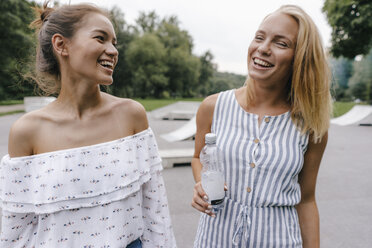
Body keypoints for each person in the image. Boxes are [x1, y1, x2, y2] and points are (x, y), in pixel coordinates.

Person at [0, 2, 176, 248]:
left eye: (114, 42)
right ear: (61, 45)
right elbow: (15, 232)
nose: (112, 50)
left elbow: (155, 211)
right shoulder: (27, 131)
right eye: (100, 38)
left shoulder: (131, 115)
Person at [191, 5, 331, 248]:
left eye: (281, 43)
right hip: (214, 240)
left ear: (300, 58)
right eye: (259, 37)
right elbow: (197, 157)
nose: (263, 48)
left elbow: (306, 200)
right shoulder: (212, 107)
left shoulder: (310, 125)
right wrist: (201, 185)